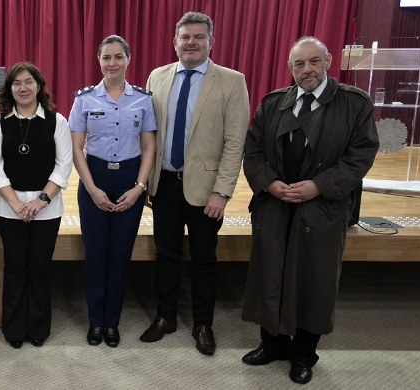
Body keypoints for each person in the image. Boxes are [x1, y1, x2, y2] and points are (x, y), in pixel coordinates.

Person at [241, 36, 378, 384]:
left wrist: (318, 186)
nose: (307, 70)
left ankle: (303, 354)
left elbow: (360, 155)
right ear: (290, 68)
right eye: (299, 64)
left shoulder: (353, 103)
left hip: (322, 210)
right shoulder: (273, 103)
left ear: (329, 61)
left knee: (313, 281)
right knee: (271, 274)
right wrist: (270, 183)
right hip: (276, 206)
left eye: (314, 61)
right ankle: (271, 344)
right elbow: (253, 150)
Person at [140, 12, 249, 356]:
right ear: (175, 42)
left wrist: (223, 191)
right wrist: (146, 181)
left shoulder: (231, 81)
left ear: (210, 42)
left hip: (206, 190)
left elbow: (235, 142)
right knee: (166, 255)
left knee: (205, 259)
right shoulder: (157, 77)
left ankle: (203, 324)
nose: (191, 42)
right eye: (185, 37)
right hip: (165, 185)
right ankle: (165, 317)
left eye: (198, 37)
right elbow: (148, 133)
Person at [69, 35, 157, 348]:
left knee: (119, 256)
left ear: (128, 60)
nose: (112, 63)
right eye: (106, 57)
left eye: (118, 57)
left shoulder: (143, 99)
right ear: (99, 61)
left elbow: (149, 146)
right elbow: (77, 148)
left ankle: (112, 322)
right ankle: (95, 322)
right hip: (95, 179)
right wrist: (91, 189)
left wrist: (139, 188)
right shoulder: (84, 99)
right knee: (95, 255)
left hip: (129, 182)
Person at [0, 62, 73, 349]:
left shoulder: (56, 121)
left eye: (28, 82)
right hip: (9, 208)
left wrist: (39, 201)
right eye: (17, 83)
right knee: (14, 268)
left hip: (47, 209)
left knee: (39, 269)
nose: (23, 88)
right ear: (9, 88)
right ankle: (13, 328)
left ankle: (37, 327)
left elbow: (63, 167)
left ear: (39, 85)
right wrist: (16, 203)